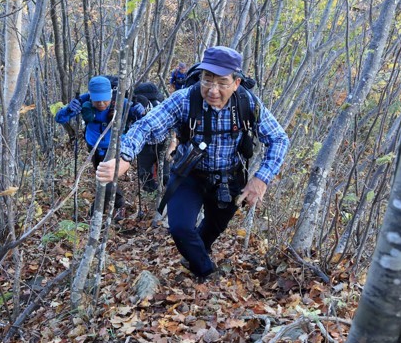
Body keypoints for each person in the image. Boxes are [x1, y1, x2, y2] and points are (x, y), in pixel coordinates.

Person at [97, 47, 289, 279]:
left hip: (230, 178)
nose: (213, 90)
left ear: (236, 83)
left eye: (222, 82)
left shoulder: (247, 103)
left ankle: (194, 255)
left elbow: (278, 138)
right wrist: (125, 157)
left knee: (215, 227)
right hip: (190, 174)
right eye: (207, 80)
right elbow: (146, 125)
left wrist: (261, 178)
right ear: (200, 76)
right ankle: (206, 272)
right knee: (180, 228)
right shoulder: (185, 99)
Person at [56, 75, 146, 214]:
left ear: (110, 94)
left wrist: (140, 111)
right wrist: (68, 109)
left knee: (106, 177)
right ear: (91, 97)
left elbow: (143, 120)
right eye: (97, 101)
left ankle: (108, 207)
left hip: (116, 146)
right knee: (102, 176)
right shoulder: (83, 101)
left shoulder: (121, 101)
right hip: (95, 147)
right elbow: (60, 118)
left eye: (105, 100)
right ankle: (113, 205)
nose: (102, 104)